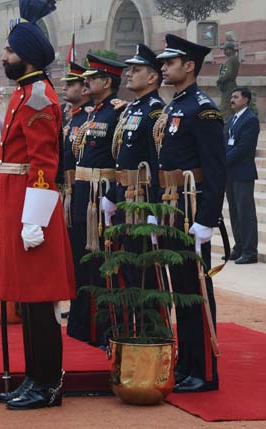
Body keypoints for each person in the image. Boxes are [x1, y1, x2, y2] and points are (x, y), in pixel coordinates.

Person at [0, 1, 76, 410]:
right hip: (18, 200)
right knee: (26, 298)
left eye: (9, 51)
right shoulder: (23, 92)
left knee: (39, 300)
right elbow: (9, 149)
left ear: (29, 56)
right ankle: (33, 376)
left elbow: (43, 163)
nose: (4, 57)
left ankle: (48, 382)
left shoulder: (37, 96)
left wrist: (33, 219)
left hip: (31, 205)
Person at [155, 34, 226, 392]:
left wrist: (206, 220)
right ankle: (187, 362)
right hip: (170, 204)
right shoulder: (175, 106)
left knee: (196, 289)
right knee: (179, 286)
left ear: (190, 67)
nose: (163, 67)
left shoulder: (204, 109)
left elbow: (216, 170)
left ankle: (204, 370)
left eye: (170, 62)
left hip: (191, 206)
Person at [67, 54, 127, 346]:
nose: (86, 81)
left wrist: (113, 197)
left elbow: (119, 158)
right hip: (83, 194)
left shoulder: (116, 113)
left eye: (92, 78)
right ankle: (84, 326)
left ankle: (106, 329)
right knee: (83, 263)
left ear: (107, 82)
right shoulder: (92, 113)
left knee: (104, 265)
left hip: (102, 194)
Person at [104, 44, 164, 221]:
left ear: (152, 77)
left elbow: (156, 163)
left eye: (136, 70)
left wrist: (154, 208)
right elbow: (122, 158)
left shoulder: (154, 111)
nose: (128, 74)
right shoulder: (132, 108)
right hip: (124, 191)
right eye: (129, 69)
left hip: (142, 196)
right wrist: (112, 194)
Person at [224, 87, 260, 264]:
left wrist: (222, 161)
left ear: (245, 100)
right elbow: (225, 144)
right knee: (234, 212)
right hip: (230, 172)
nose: (232, 99)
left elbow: (242, 148)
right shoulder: (231, 120)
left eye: (236, 97)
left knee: (245, 212)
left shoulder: (250, 120)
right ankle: (238, 247)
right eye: (231, 96)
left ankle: (249, 251)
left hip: (242, 172)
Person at [60, 62, 93, 230]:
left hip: (84, 189)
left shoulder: (89, 118)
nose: (64, 88)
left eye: (70, 84)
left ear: (85, 89)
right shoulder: (70, 117)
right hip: (68, 189)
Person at [216, 41, 240, 121]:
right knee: (227, 105)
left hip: (228, 85)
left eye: (226, 49)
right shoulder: (232, 59)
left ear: (231, 49)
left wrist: (220, 80)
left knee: (226, 106)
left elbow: (228, 73)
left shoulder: (232, 59)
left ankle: (226, 123)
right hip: (228, 85)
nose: (224, 52)